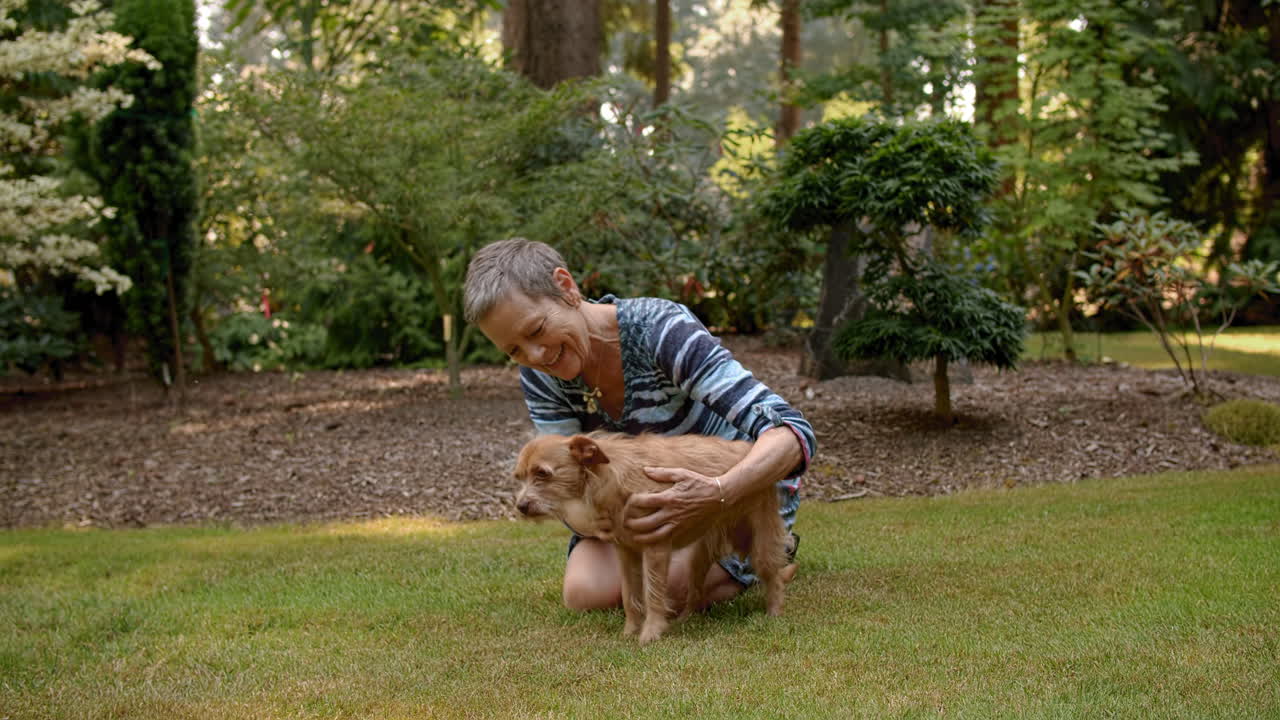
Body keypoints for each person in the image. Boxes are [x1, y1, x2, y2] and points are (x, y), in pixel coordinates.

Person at [463, 238, 816, 612]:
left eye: (535, 330)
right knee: (585, 595)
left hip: (734, 493)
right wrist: (594, 521)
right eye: (514, 350)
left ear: (567, 288)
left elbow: (792, 433)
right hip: (632, 508)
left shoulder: (661, 330)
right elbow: (564, 484)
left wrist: (717, 491)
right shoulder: (537, 375)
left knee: (670, 589)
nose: (535, 356)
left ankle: (769, 546)